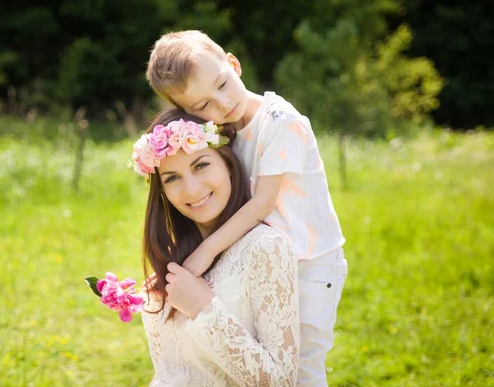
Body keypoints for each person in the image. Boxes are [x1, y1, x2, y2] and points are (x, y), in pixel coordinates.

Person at [146, 30, 348, 386]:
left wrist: (206, 252)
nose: (221, 105)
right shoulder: (225, 130)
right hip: (259, 258)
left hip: (309, 262)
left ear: (233, 64)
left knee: (301, 367)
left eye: (222, 85)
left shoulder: (281, 122)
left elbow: (260, 204)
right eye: (203, 106)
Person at [133, 108, 300, 386]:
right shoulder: (178, 262)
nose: (191, 189)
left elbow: (280, 382)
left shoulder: (265, 249)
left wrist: (204, 310)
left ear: (228, 164)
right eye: (172, 178)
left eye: (201, 166)